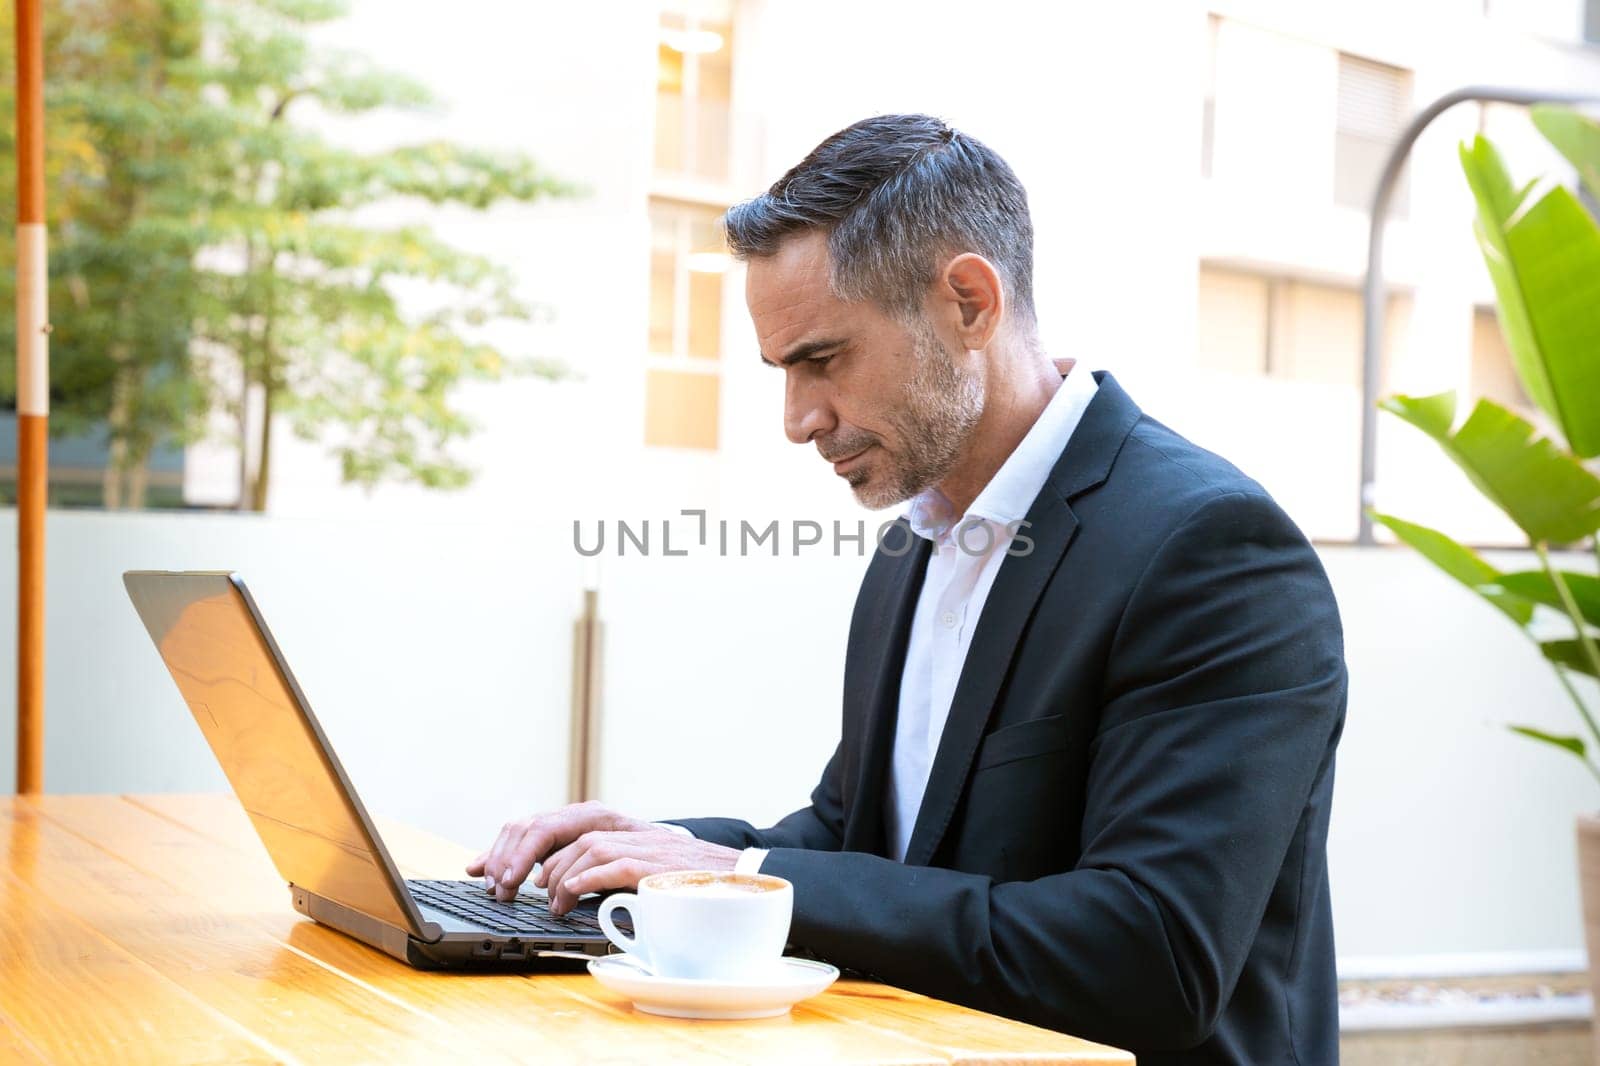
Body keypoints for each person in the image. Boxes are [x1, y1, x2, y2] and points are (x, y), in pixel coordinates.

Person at [468, 114, 1347, 1065]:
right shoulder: (913, 547)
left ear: (969, 303)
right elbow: (863, 839)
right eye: (782, 370)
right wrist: (654, 853)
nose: (798, 419)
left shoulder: (1208, 548)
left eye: (822, 359)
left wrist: (747, 874)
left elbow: (1150, 956)